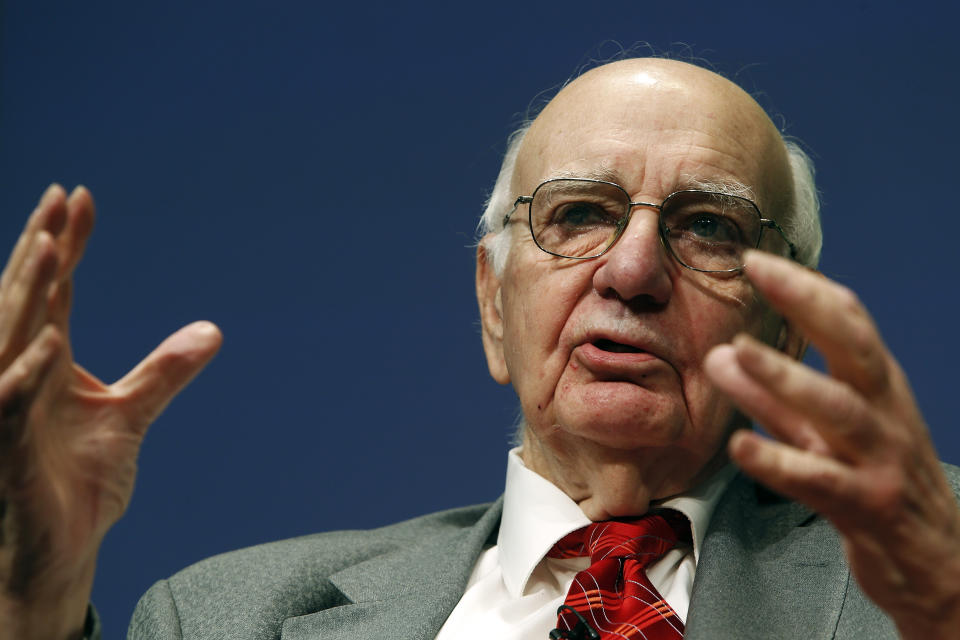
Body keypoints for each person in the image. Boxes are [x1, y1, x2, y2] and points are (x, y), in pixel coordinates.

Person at [1, 57, 958, 640]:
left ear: (784, 326)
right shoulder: (226, 617)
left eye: (708, 227)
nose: (632, 272)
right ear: (493, 304)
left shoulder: (931, 565)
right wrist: (28, 599)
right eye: (579, 214)